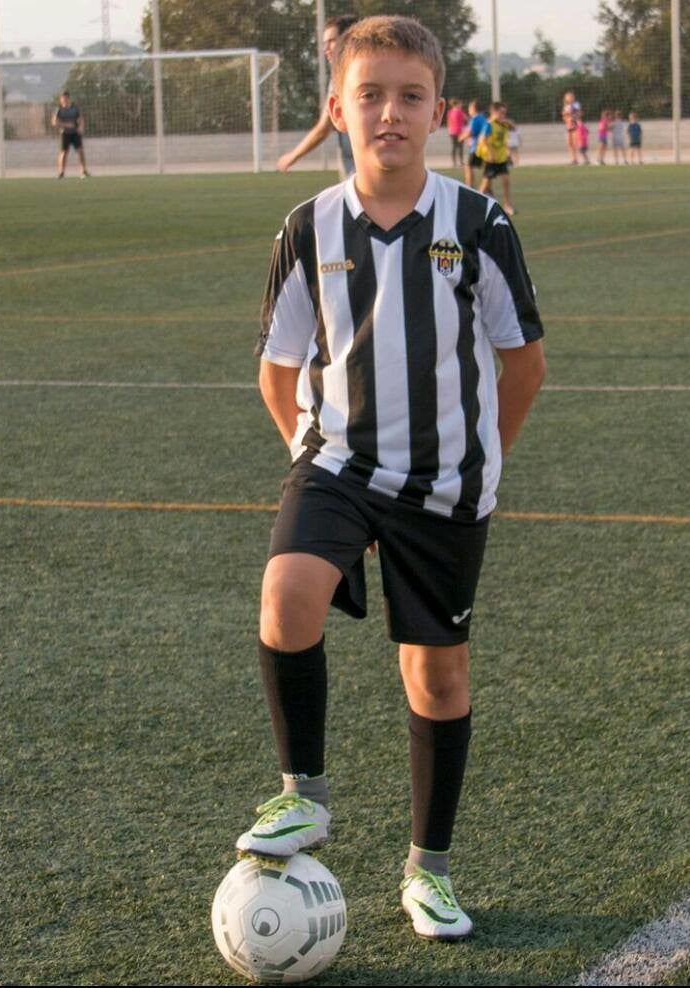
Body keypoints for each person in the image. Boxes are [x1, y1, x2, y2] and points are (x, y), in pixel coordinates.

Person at [238, 14, 545, 943]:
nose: (390, 113)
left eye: (410, 96)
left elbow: (523, 362)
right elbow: (278, 367)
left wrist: (482, 457)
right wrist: (307, 456)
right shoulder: (309, 227)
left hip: (446, 486)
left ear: (438, 112)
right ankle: (304, 793)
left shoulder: (480, 223)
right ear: (337, 110)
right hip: (337, 462)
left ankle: (428, 872)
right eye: (369, 95)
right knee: (286, 594)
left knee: (437, 677)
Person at [276, 14, 358, 178]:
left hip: (367, 168)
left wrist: (293, 156)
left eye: (331, 41)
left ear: (348, 40)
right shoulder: (338, 76)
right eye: (324, 43)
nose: (325, 48)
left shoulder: (359, 74)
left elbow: (324, 128)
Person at [477, 101, 516, 215]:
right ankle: (475, 206)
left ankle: (507, 205)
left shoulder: (504, 124)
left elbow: (514, 128)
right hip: (491, 159)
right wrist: (490, 154)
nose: (503, 115)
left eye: (505, 113)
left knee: (506, 181)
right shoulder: (489, 125)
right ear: (494, 112)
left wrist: (508, 122)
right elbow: (483, 140)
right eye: (501, 113)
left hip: (501, 158)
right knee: (485, 184)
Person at [52, 91, 89, 178]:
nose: (64, 100)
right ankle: (61, 172)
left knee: (80, 151)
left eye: (66, 98)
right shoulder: (58, 109)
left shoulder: (75, 108)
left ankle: (83, 171)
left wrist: (81, 127)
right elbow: (54, 122)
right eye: (62, 98)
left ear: (68, 98)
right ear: (60, 99)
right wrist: (66, 125)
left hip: (75, 133)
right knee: (64, 152)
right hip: (64, 133)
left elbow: (81, 118)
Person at [458, 99, 488, 189]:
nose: (469, 110)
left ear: (473, 109)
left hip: (476, 147)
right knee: (485, 168)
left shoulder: (475, 119)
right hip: (483, 147)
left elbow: (470, 132)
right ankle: (487, 188)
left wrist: (461, 137)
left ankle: (469, 187)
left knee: (468, 166)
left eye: (469, 108)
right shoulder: (483, 118)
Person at [446, 98, 467, 168]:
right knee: (460, 147)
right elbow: (465, 118)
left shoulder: (450, 112)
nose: (461, 105)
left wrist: (449, 129)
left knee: (454, 147)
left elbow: (448, 121)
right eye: (460, 104)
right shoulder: (460, 111)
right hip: (460, 131)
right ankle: (461, 162)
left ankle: (454, 162)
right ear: (457, 104)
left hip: (452, 131)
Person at [561, 90, 580, 164]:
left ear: (573, 98)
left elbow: (578, 113)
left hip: (575, 125)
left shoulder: (576, 105)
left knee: (575, 143)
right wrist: (566, 117)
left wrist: (573, 117)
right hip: (568, 126)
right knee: (569, 143)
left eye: (570, 97)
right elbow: (564, 116)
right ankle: (573, 159)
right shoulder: (566, 106)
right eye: (567, 97)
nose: (569, 98)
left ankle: (576, 159)